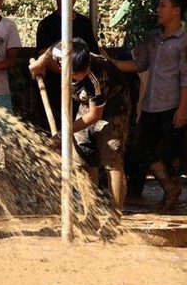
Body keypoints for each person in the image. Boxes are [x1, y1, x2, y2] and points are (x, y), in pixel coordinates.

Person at [106, 0, 187, 210]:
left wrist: (183, 109)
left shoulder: (186, 43)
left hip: (172, 106)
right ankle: (170, 188)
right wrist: (112, 64)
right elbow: (140, 64)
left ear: (176, 11)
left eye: (162, 6)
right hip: (150, 106)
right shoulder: (154, 39)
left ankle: (171, 194)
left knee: (171, 156)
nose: (158, 10)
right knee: (140, 150)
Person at [29, 39, 130, 215]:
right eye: (75, 75)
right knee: (82, 159)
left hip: (114, 108)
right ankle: (90, 213)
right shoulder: (61, 52)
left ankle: (115, 217)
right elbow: (53, 47)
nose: (79, 77)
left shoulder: (97, 78)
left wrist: (62, 134)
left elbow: (94, 116)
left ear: (89, 62)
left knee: (111, 159)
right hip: (86, 104)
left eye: (82, 73)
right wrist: (39, 63)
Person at [35, 0, 99, 127]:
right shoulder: (46, 25)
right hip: (56, 87)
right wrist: (68, 72)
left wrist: (81, 74)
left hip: (83, 88)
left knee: (80, 130)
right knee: (55, 129)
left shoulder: (84, 22)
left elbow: (94, 52)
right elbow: (44, 56)